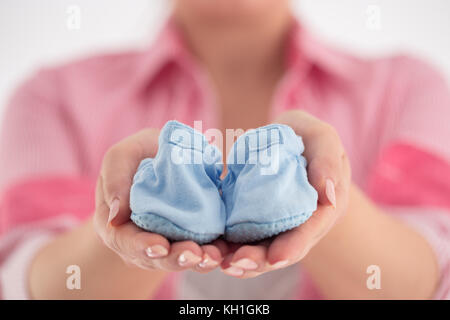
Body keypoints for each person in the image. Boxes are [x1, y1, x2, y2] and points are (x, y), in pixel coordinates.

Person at [1, 0, 449, 299]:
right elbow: (31, 285)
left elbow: (423, 281)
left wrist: (329, 195)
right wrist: (120, 228)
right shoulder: (55, 96)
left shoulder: (407, 88)